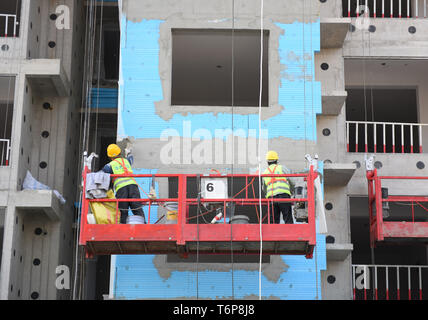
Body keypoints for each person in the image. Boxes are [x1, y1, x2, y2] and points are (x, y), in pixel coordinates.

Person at [102, 144, 146, 224]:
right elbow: (131, 158)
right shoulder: (126, 161)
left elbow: (102, 174)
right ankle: (144, 226)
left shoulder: (109, 165)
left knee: (123, 211)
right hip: (133, 187)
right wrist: (129, 153)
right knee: (137, 208)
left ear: (110, 157)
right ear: (119, 153)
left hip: (121, 189)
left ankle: (122, 228)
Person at [262, 150, 294, 224]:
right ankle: (290, 234)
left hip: (271, 199)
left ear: (267, 161)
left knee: (273, 222)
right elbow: (293, 181)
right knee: (287, 218)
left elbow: (264, 188)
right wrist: (291, 192)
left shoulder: (265, 172)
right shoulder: (282, 168)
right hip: (284, 196)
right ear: (277, 160)